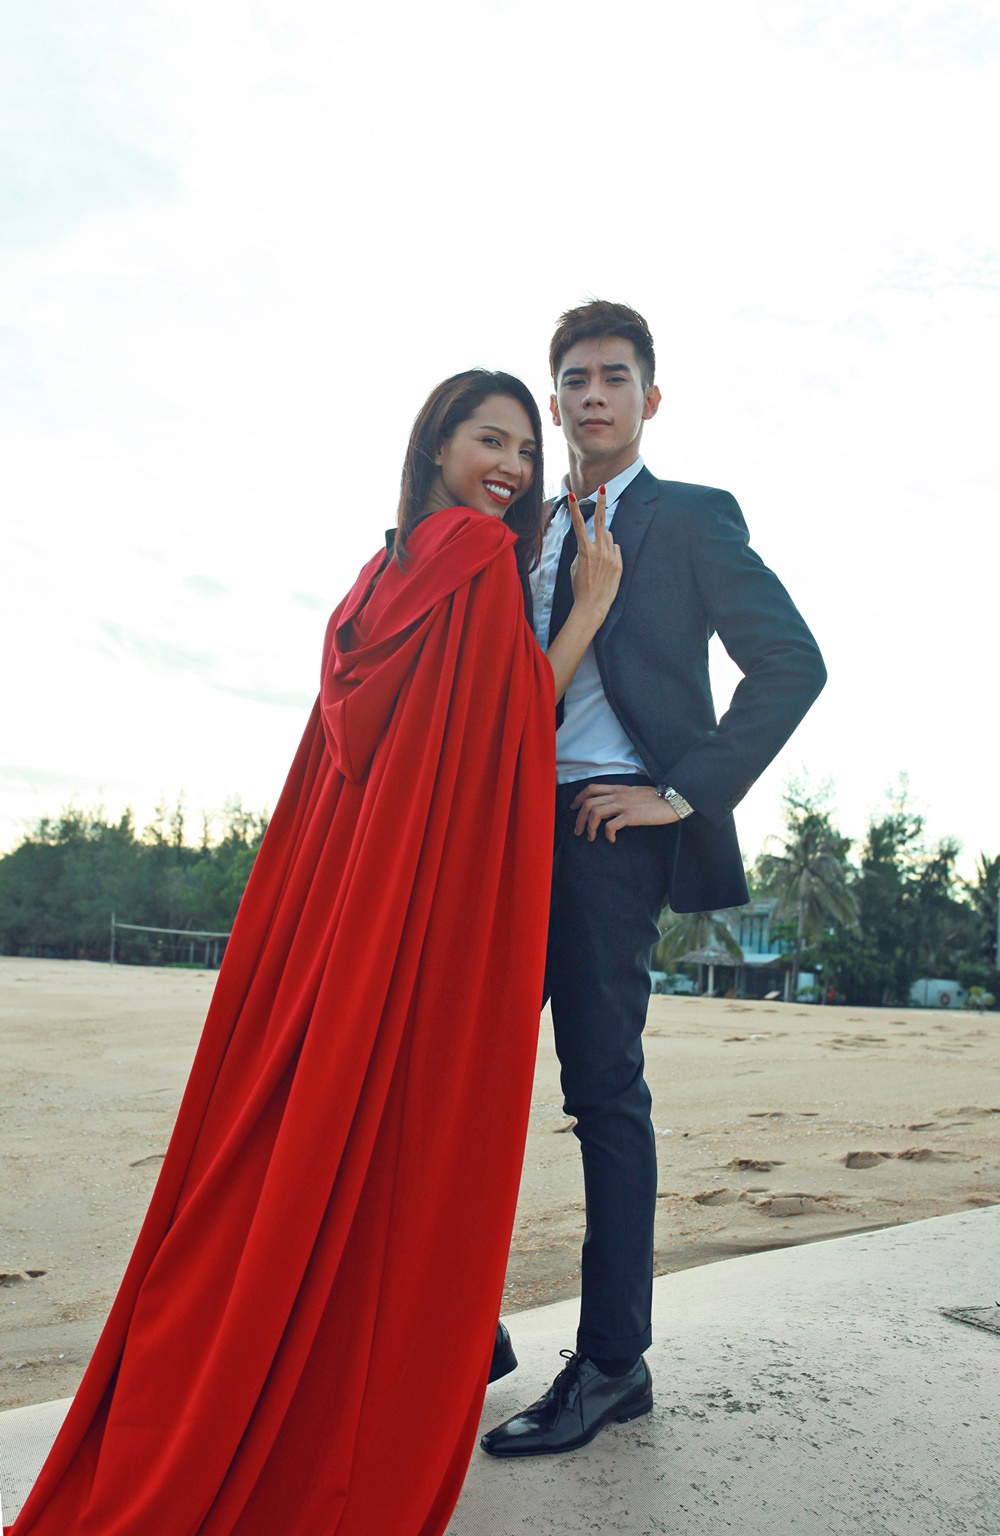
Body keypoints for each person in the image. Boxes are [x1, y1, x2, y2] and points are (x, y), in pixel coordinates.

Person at [7, 370, 621, 1536]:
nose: (512, 468)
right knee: (402, 1141)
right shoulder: (473, 558)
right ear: (436, 446)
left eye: (523, 452)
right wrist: (586, 609)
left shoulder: (378, 575)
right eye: (489, 441)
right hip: (414, 908)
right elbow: (506, 727)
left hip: (338, 908)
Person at [481, 301, 827, 1459]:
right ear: (553, 399)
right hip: (500, 829)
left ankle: (611, 1364)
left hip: (605, 832)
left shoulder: (689, 518)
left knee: (601, 1093)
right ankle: (463, 1325)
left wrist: (679, 795)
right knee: (460, 1074)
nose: (592, 395)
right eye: (574, 378)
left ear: (649, 397)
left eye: (614, 376)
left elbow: (790, 663)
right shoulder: (524, 527)